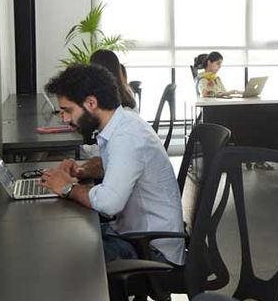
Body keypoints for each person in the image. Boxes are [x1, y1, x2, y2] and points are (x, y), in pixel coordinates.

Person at [39, 64, 185, 266]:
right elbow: (114, 164)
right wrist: (81, 171)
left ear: (91, 103)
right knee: (65, 237)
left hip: (152, 249)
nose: (64, 118)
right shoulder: (122, 122)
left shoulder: (127, 137)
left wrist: (67, 187)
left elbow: (109, 204)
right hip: (132, 232)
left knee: (62, 256)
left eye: (67, 110)